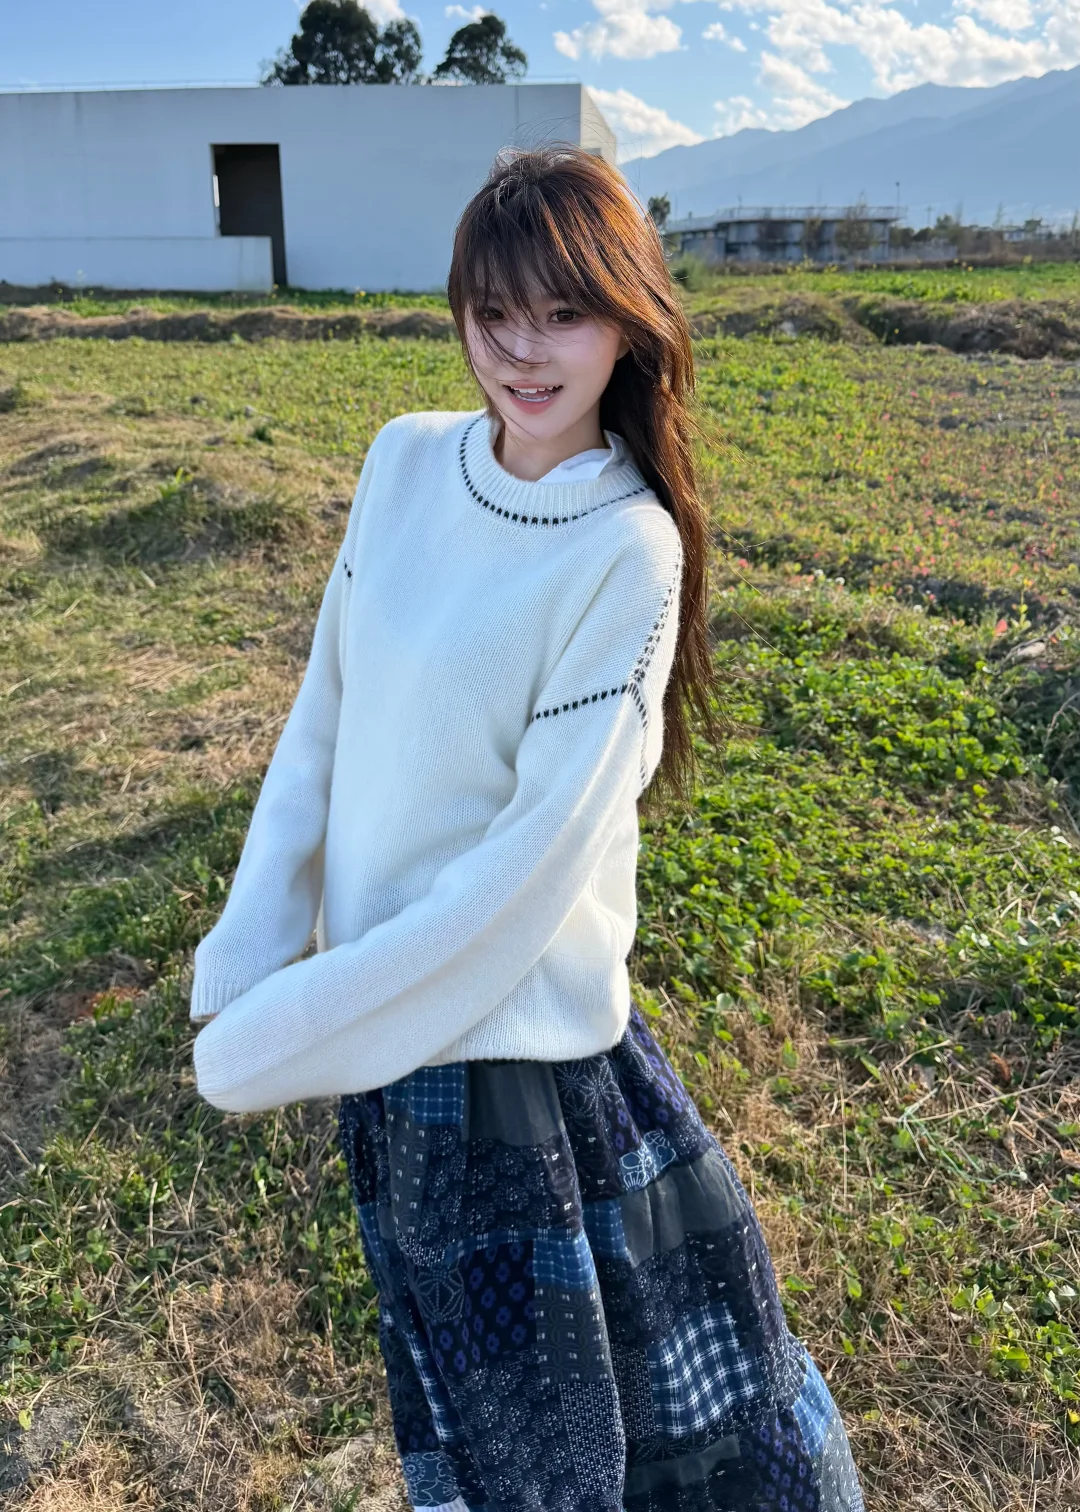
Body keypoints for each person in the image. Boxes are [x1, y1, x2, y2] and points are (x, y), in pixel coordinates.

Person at [190, 147, 863, 1512]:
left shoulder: (627, 550)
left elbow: (523, 878)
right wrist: (249, 957)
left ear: (629, 321)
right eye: (492, 311)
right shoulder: (403, 462)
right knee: (474, 1428)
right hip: (386, 1034)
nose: (520, 351)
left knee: (615, 1454)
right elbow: (324, 716)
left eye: (562, 312)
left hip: (517, 1072)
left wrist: (286, 1030)